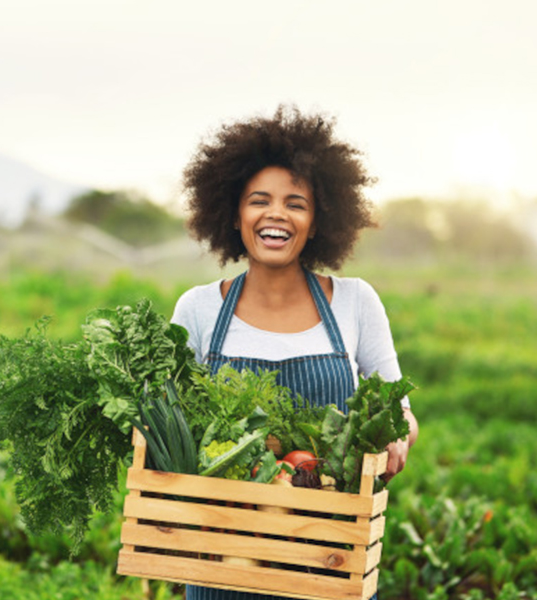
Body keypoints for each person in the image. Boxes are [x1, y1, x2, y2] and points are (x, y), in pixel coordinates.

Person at [171, 105, 419, 600]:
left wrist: (399, 435)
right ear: (233, 213)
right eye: (258, 200)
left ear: (319, 218)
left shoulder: (355, 302)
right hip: (224, 557)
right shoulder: (197, 309)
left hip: (326, 555)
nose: (276, 214)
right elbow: (167, 422)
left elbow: (401, 409)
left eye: (296, 203)